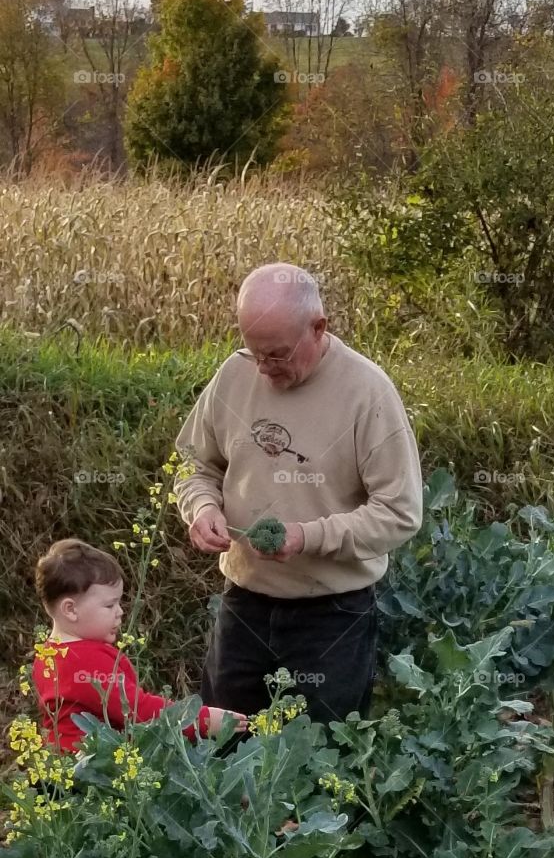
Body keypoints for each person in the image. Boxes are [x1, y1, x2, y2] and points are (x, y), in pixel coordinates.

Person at [173, 262, 423, 724]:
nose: (265, 370)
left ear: (319, 327)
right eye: (256, 353)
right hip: (244, 605)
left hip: (333, 615)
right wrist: (201, 506)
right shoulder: (234, 375)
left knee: (320, 764)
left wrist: (306, 537)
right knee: (221, 749)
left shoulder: (368, 393)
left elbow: (400, 512)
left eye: (278, 355)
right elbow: (192, 462)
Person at [32, 538, 247, 754]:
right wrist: (203, 720)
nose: (120, 611)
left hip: (61, 766)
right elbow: (138, 711)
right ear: (70, 610)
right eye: (109, 605)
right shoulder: (85, 660)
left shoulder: (48, 655)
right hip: (90, 772)